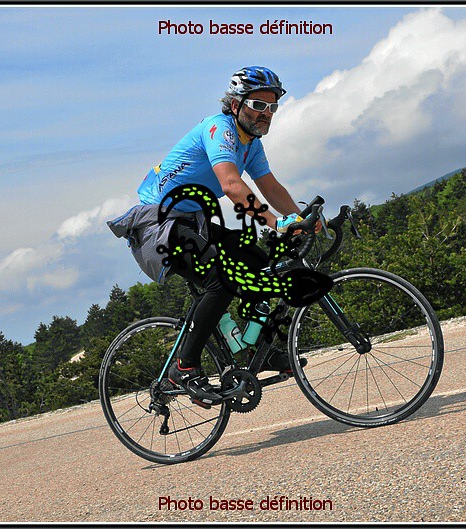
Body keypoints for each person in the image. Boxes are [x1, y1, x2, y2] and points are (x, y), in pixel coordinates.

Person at [109, 66, 313, 408]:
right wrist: (276, 223)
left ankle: (259, 348)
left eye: (272, 107)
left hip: (193, 222)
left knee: (261, 263)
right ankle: (183, 367)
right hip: (158, 223)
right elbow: (231, 185)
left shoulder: (251, 144)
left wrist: (301, 219)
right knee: (221, 280)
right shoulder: (219, 129)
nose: (266, 114)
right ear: (235, 105)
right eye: (258, 105)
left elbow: (270, 187)